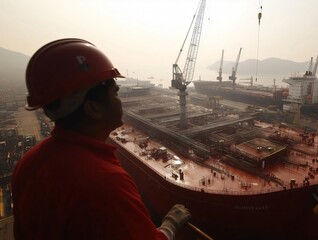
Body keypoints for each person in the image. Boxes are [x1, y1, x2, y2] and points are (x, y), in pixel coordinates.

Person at [12, 38, 190, 240]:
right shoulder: (102, 182)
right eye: (115, 93)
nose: (121, 101)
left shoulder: (29, 161)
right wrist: (170, 225)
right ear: (93, 108)